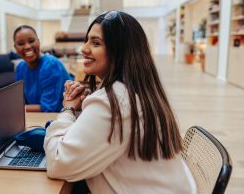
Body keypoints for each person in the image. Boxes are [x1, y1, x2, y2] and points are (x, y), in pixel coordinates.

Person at [44, 11, 196, 193]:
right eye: (87, 40)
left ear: (120, 52)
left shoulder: (114, 101)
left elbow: (58, 164)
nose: (83, 49)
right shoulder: (139, 89)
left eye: (96, 43)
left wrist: (67, 109)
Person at [13, 25, 72, 112]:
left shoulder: (51, 66)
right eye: (21, 43)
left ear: (39, 42)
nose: (27, 46)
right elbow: (20, 101)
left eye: (31, 41)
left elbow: (47, 108)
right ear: (15, 48)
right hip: (34, 117)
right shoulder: (20, 68)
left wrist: (13, 109)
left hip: (58, 117)